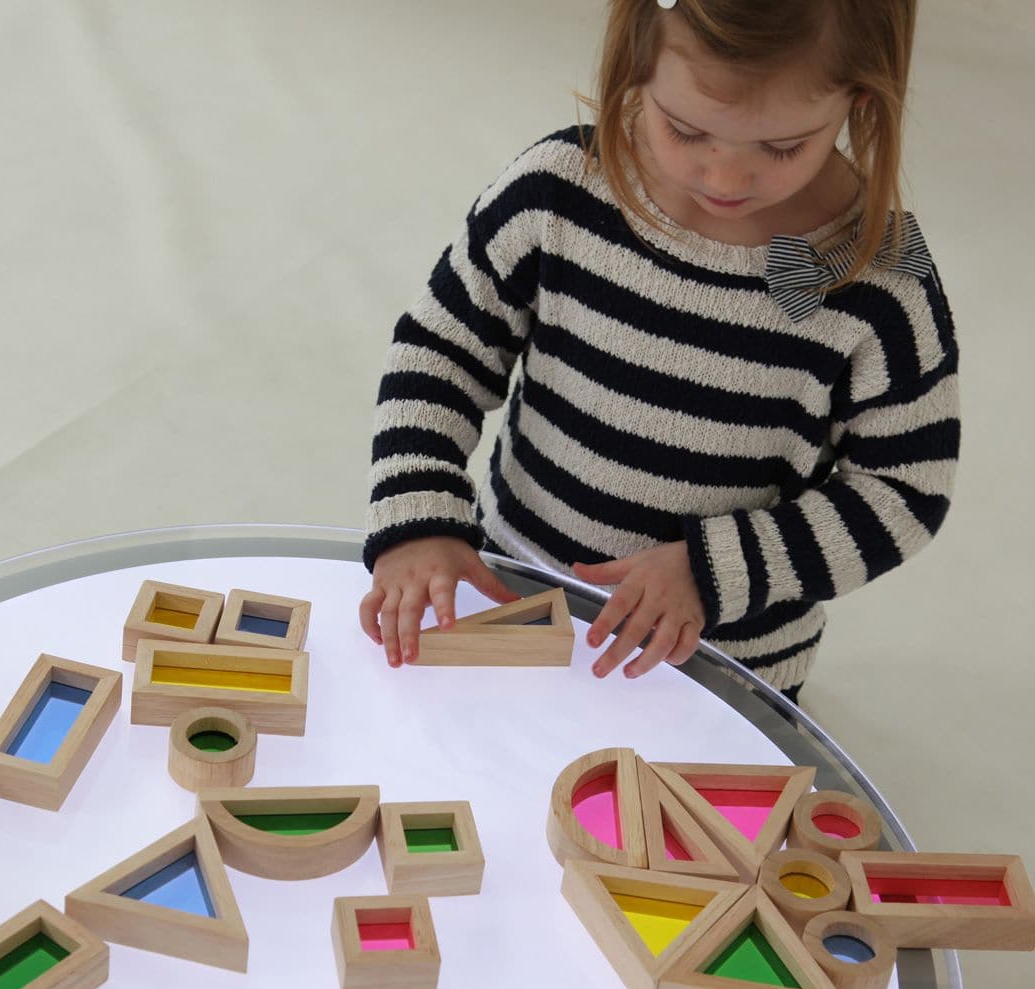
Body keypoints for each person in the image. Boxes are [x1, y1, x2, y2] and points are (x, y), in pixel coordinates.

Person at [358, 0, 959, 703]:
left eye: (783, 146)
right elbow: (440, 350)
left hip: (720, 674)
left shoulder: (872, 275)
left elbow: (905, 492)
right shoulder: (561, 192)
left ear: (858, 102)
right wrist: (417, 518)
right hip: (514, 612)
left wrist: (713, 572)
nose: (726, 180)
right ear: (635, 63)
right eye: (685, 129)